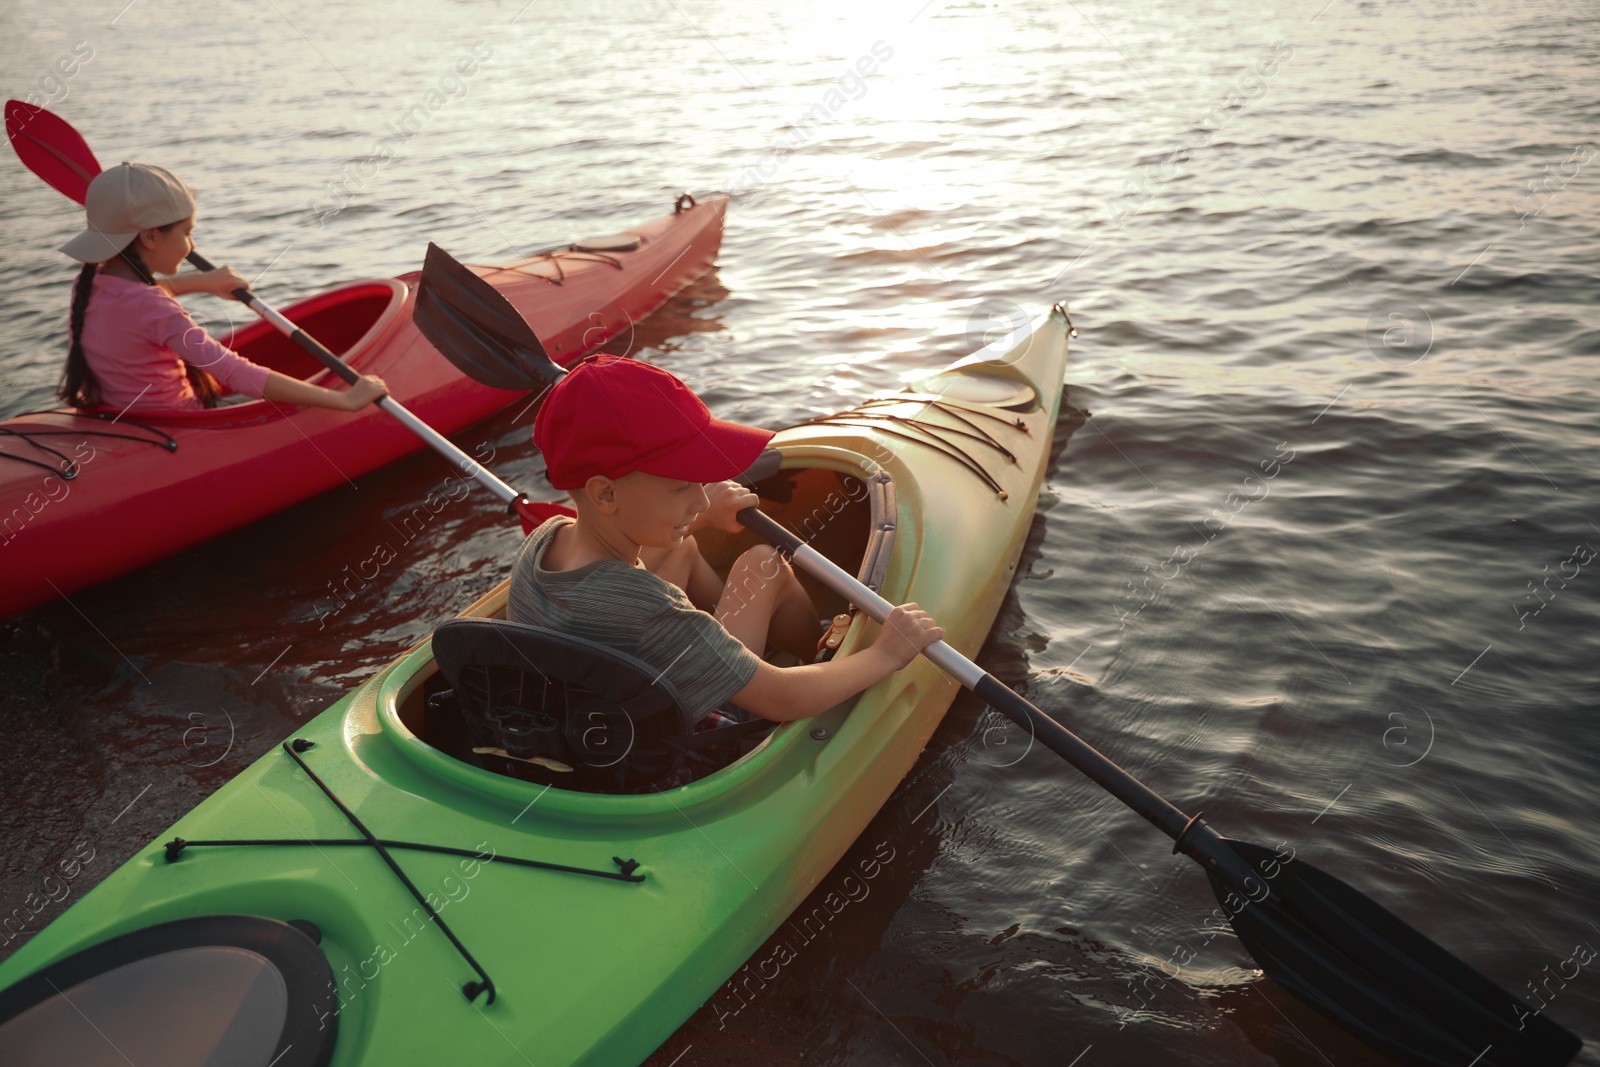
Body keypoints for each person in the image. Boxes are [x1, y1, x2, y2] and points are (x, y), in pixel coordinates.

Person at [509, 354, 943, 725]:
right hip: (704, 722)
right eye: (683, 487)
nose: (701, 500)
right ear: (606, 493)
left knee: (686, 545)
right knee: (763, 563)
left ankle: (729, 644)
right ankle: (816, 657)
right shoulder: (644, 606)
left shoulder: (545, 541)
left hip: (607, 704)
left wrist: (695, 522)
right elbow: (781, 701)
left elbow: (617, 590)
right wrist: (886, 654)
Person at [57, 162, 387, 412]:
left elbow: (135, 305)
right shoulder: (157, 308)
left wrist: (202, 282)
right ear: (151, 236)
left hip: (128, 418)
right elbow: (236, 373)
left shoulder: (89, 283)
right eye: (187, 232)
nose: (191, 244)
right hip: (182, 424)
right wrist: (344, 399)